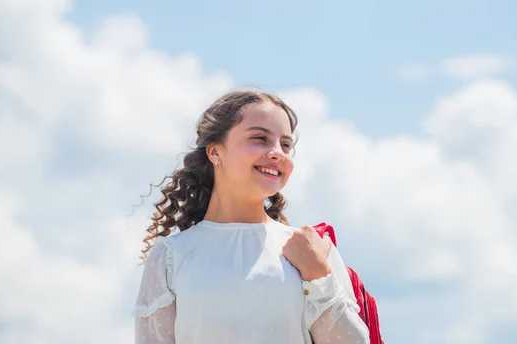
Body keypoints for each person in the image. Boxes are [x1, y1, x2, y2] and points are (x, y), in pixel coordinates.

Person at [133, 90, 370, 344]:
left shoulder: (312, 249)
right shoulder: (169, 258)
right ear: (215, 153)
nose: (278, 152)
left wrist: (319, 276)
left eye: (286, 145)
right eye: (260, 138)